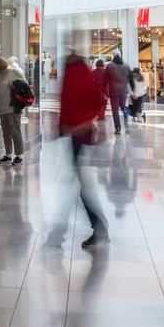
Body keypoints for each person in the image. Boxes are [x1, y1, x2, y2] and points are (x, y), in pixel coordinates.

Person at [57, 51, 107, 248]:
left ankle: (98, 224)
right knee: (78, 183)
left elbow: (68, 102)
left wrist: (72, 125)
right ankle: (63, 230)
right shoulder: (82, 72)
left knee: (81, 186)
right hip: (79, 133)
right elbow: (94, 98)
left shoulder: (73, 74)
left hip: (77, 134)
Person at [0, 56, 28, 166]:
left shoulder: (13, 72)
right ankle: (8, 154)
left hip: (13, 108)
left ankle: (19, 155)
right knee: (6, 133)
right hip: (3, 108)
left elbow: (24, 85)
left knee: (15, 131)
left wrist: (14, 86)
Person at [106, 52, 129, 133]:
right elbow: (130, 78)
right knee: (124, 108)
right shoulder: (126, 66)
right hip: (123, 91)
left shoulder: (110, 66)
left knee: (115, 110)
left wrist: (104, 91)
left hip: (114, 91)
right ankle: (127, 125)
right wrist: (132, 89)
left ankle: (118, 128)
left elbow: (105, 79)